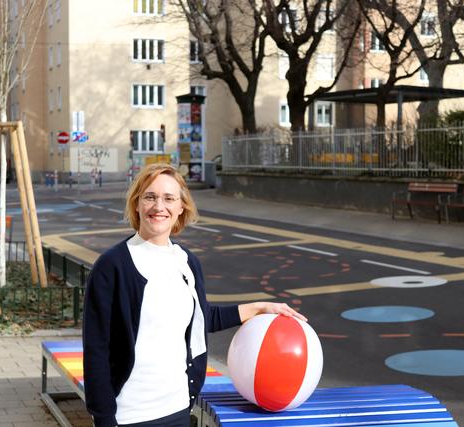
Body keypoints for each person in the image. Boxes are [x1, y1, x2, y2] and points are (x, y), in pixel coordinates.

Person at [83, 163, 306, 427]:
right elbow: (96, 350)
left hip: (178, 407)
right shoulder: (113, 266)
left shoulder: (187, 262)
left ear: (181, 208)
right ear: (137, 204)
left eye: (169, 198)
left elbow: (199, 318)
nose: (159, 207)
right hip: (130, 414)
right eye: (150, 197)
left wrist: (257, 309)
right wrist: (104, 418)